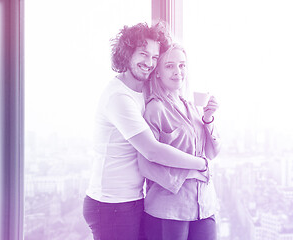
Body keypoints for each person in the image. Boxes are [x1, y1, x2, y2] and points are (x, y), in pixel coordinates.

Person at [83, 22, 209, 240]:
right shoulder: (119, 97)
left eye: (154, 57)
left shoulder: (141, 91)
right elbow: (152, 151)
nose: (149, 63)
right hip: (111, 204)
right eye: (143, 54)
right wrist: (201, 164)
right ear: (126, 54)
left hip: (131, 199)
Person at [138, 43, 221, 240]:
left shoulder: (192, 107)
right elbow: (146, 165)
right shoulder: (155, 109)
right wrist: (194, 171)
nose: (178, 72)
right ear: (157, 72)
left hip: (204, 205)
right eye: (170, 66)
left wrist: (208, 118)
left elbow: (211, 153)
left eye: (182, 65)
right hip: (169, 209)